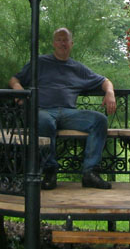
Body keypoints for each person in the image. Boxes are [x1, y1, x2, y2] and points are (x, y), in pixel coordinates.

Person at [9, 27, 116, 190]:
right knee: (43, 121)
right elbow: (14, 79)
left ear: (71, 43)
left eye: (65, 40)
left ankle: (90, 173)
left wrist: (110, 92)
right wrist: (18, 89)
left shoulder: (78, 68)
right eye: (59, 39)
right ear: (53, 43)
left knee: (99, 119)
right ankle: (49, 171)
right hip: (43, 110)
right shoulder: (40, 62)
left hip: (68, 113)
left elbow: (105, 81)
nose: (62, 43)